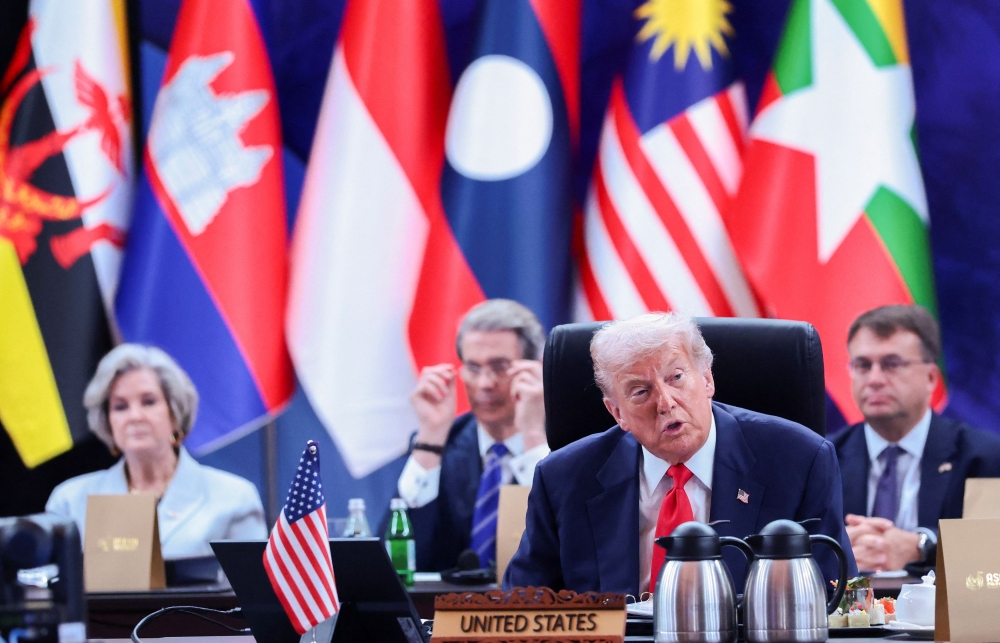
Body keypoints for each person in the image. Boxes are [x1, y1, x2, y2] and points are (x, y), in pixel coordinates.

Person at [503, 312, 856, 595]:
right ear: (617, 413)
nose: (665, 403)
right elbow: (524, 604)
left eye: (675, 377)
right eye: (640, 392)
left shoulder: (800, 460)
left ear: (706, 380)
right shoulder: (564, 478)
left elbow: (833, 599)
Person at [46, 344, 267, 559]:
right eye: (120, 407)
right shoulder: (69, 501)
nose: (135, 416)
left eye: (148, 402)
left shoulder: (235, 498)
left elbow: (250, 593)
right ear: (107, 421)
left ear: (175, 413)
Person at [833, 305, 1000, 572]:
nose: (875, 379)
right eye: (863, 365)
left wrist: (922, 547)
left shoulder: (984, 457)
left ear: (931, 377)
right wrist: (835, 551)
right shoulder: (824, 459)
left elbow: (992, 559)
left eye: (892, 364)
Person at [397, 299, 549, 571]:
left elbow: (577, 550)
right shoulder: (444, 441)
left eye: (500, 366)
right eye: (474, 368)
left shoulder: (575, 441)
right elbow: (398, 562)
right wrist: (430, 436)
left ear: (535, 368)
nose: (485, 384)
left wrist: (534, 437)